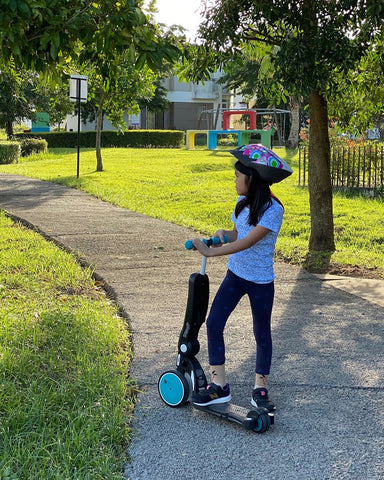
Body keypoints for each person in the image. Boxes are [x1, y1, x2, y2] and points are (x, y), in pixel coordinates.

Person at [190, 144, 292, 412]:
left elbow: (248, 242)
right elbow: (238, 234)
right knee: (213, 323)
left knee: (261, 333)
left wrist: (211, 253)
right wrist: (224, 232)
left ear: (252, 179)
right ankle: (219, 386)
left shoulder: (273, 210)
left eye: (237, 176)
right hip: (235, 275)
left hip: (260, 281)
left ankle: (260, 388)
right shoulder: (241, 203)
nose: (234, 180)